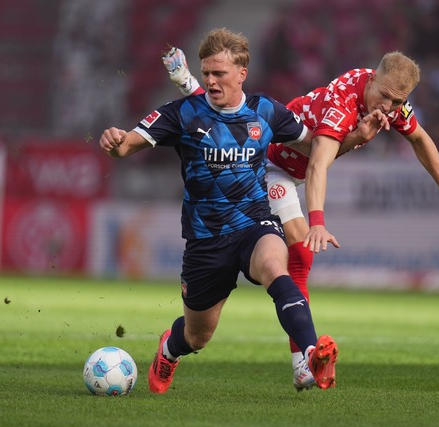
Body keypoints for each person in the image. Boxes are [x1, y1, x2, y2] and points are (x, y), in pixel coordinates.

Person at [162, 46, 439, 390]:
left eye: (396, 101)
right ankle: (303, 363)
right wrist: (317, 219)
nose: (388, 106)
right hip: (268, 164)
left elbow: (419, 138)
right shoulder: (343, 105)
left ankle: (302, 361)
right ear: (372, 79)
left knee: (204, 330)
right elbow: (317, 162)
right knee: (299, 253)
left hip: (291, 168)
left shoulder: (388, 98)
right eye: (385, 96)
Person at [99, 28, 339, 394]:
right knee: (197, 336)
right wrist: (115, 140)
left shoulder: (267, 111)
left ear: (241, 73)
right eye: (206, 73)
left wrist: (356, 134)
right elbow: (126, 146)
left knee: (277, 266)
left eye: (219, 74)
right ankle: (169, 348)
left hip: (254, 224)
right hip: (206, 239)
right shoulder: (182, 113)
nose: (210, 81)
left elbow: (317, 146)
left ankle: (310, 353)